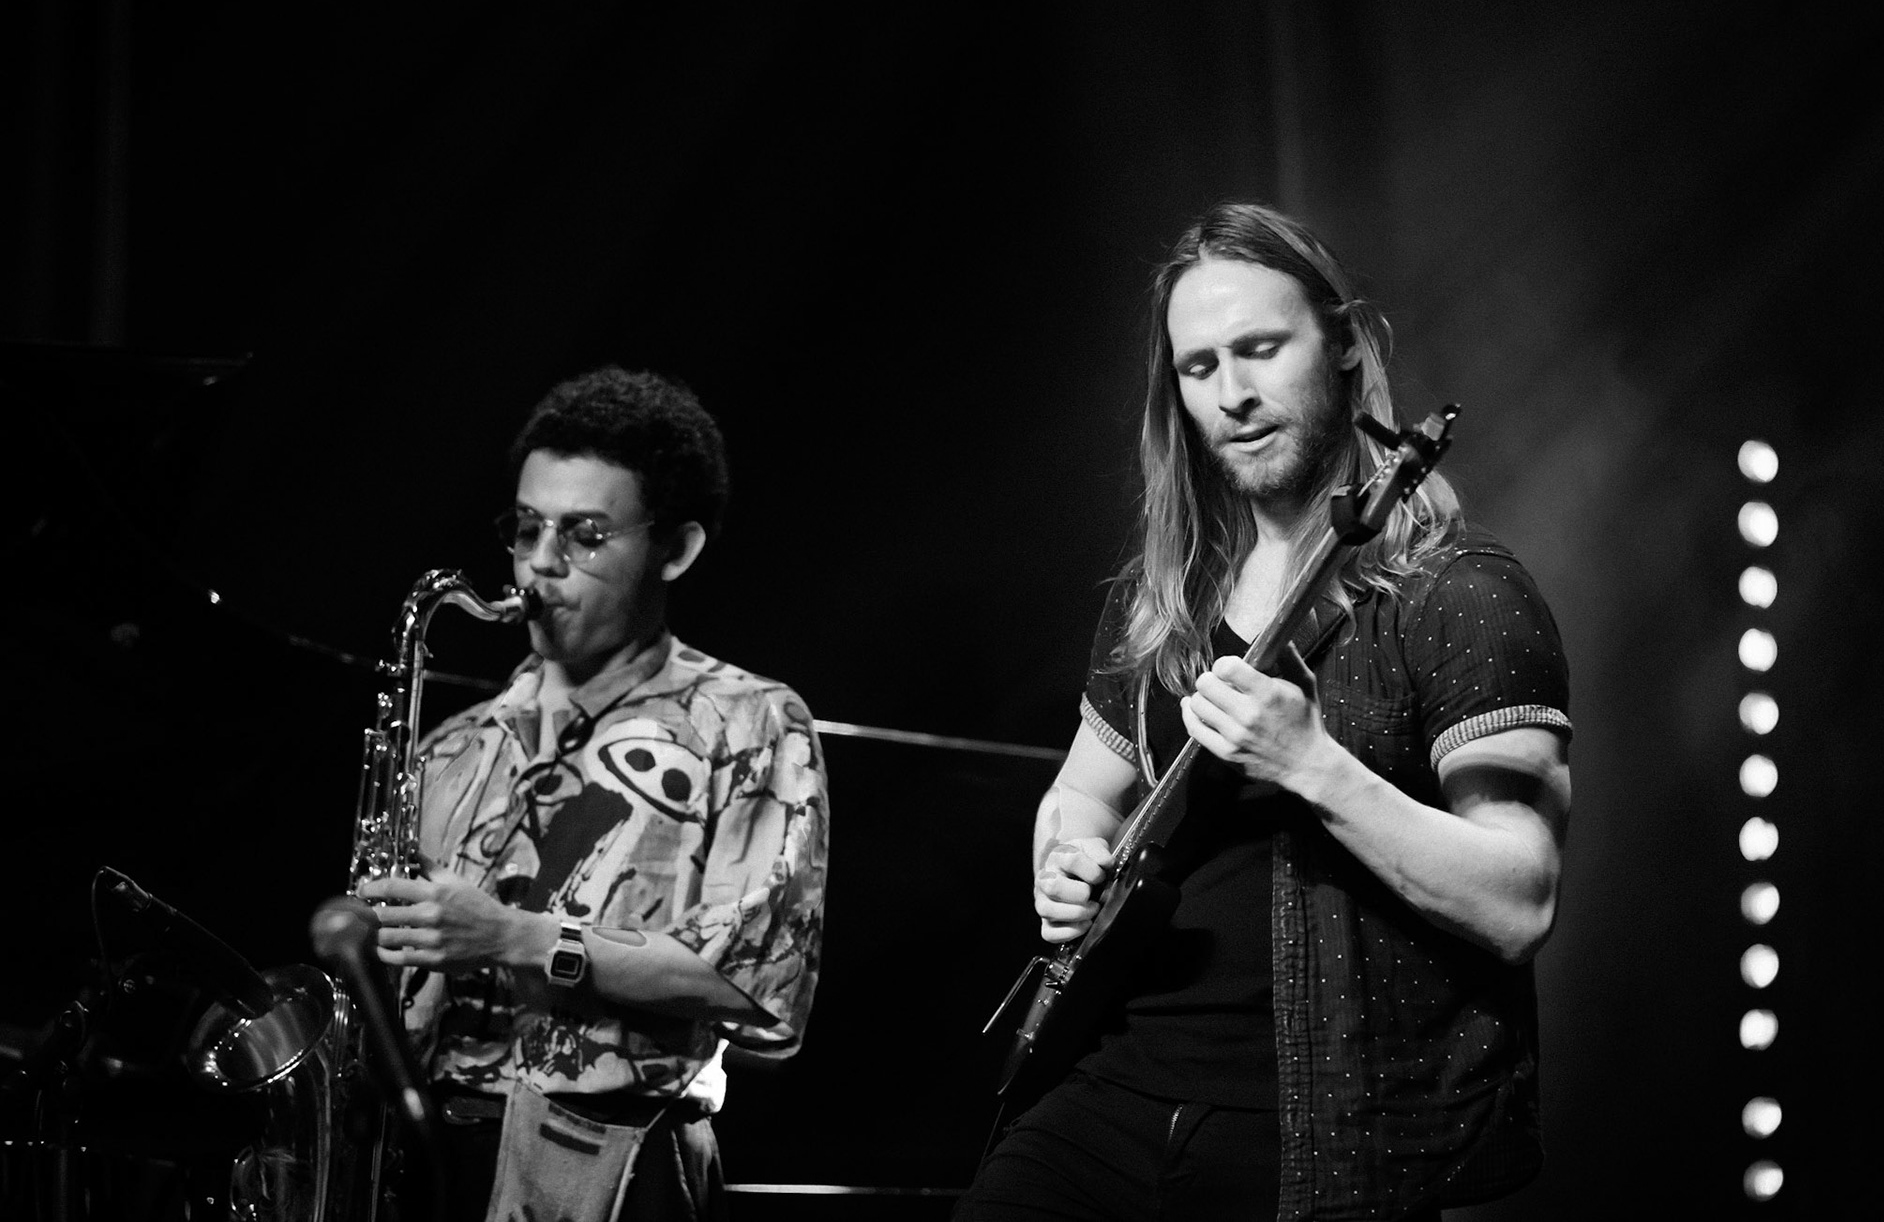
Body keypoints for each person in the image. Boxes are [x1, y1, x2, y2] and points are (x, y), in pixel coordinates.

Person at [958, 204, 1572, 1221]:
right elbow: (1080, 792)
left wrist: (1314, 764)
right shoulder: (1166, 595)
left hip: (1328, 1122)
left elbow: (1519, 898)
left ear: (1343, 346)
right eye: (1200, 367)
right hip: (1111, 1082)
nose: (1232, 394)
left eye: (1259, 349)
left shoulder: (1461, 589)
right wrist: (1061, 859)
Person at [359, 365, 828, 1222]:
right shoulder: (449, 745)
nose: (541, 562)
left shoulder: (750, 720)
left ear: (675, 549)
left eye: (583, 534)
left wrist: (514, 936)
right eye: (528, 526)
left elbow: (759, 993)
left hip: (619, 1163)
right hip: (424, 1160)